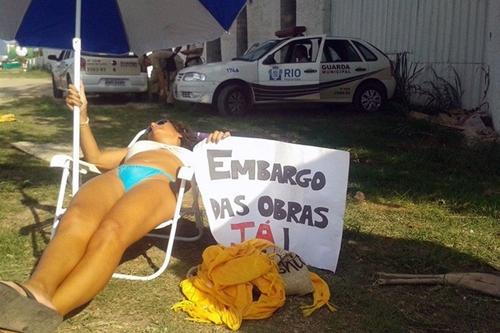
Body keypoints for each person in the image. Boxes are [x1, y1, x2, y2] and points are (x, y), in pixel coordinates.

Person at [0, 83, 230, 333]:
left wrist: (220, 141)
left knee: (112, 232)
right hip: (120, 175)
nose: (152, 125)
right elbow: (96, 158)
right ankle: (36, 289)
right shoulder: (136, 148)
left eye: (161, 123)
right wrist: (83, 116)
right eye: (152, 125)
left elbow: (230, 161)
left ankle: (48, 312)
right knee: (75, 219)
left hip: (160, 181)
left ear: (179, 134)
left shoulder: (195, 152)